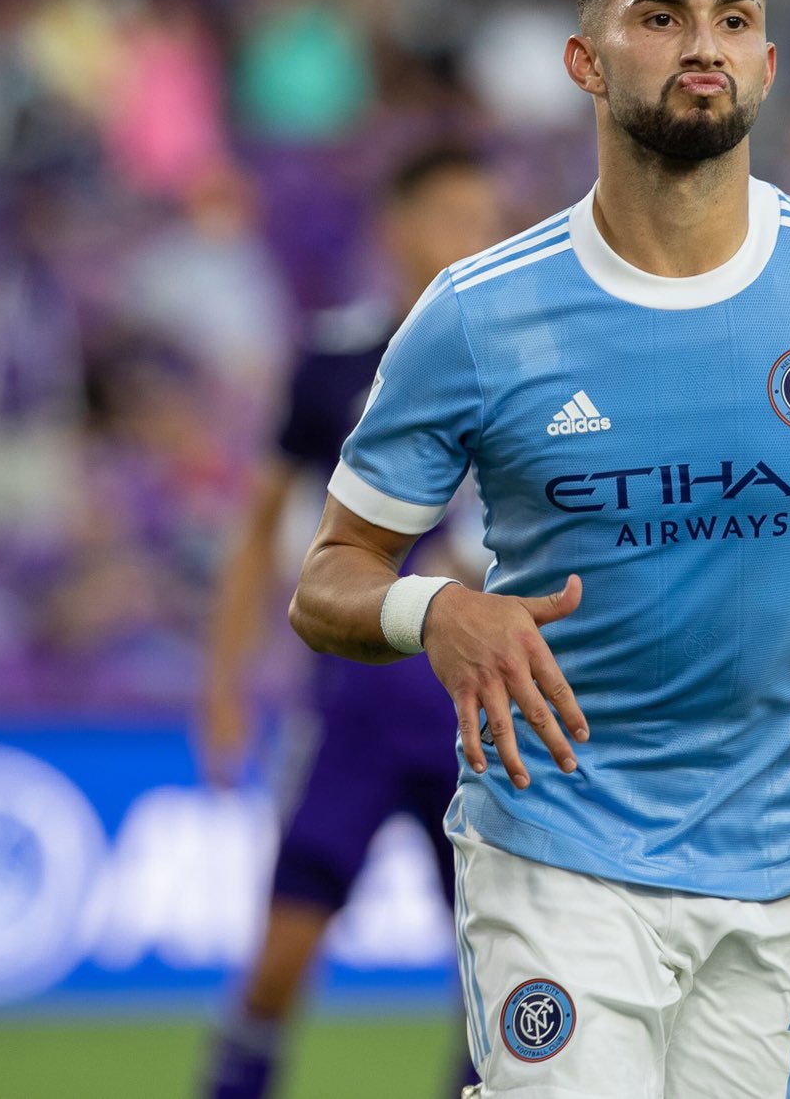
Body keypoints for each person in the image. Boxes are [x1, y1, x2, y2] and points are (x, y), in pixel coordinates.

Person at [288, 0, 790, 1098]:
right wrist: (436, 610)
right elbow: (328, 576)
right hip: (555, 850)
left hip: (783, 864)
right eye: (661, 17)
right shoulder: (476, 315)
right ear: (585, 61)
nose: (702, 44)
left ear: (765, 65)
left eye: (732, 20)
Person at [198, 146, 507, 1099]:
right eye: (452, 215)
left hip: (478, 711)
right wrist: (224, 685)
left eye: (485, 218)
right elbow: (259, 526)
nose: (473, 237)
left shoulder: (527, 360)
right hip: (353, 706)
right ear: (397, 228)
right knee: (281, 955)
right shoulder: (335, 360)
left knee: (501, 978)